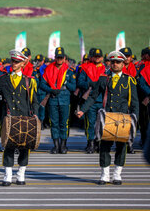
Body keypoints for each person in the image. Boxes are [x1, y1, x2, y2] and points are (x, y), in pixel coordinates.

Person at [0, 50, 39, 186]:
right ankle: (8, 175)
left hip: (25, 118)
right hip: (10, 118)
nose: (13, 64)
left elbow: (34, 101)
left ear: (22, 63)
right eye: (12, 61)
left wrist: (36, 116)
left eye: (16, 62)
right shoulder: (4, 79)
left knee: (24, 147)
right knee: (8, 147)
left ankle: (21, 174)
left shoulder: (29, 81)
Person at [77, 51, 139, 185]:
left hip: (123, 118)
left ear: (123, 64)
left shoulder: (129, 80)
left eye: (118, 62)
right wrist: (83, 110)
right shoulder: (103, 78)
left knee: (121, 146)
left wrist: (135, 120)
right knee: (104, 147)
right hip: (108, 117)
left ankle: (117, 175)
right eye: (113, 62)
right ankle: (104, 175)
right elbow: (93, 96)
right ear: (110, 63)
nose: (115, 64)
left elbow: (134, 102)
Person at [40, 47, 76, 154]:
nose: (59, 60)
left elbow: (73, 87)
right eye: (58, 57)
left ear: (64, 58)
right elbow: (42, 84)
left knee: (64, 123)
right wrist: (51, 89)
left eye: (61, 58)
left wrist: (65, 83)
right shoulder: (49, 69)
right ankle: (56, 145)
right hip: (53, 100)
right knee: (54, 123)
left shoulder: (69, 71)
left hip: (65, 100)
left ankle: (63, 145)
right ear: (55, 58)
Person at [77, 48, 106, 154]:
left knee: (102, 123)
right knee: (90, 123)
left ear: (102, 58)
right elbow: (80, 83)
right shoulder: (85, 68)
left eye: (99, 56)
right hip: (90, 100)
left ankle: (99, 143)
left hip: (102, 100)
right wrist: (89, 84)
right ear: (92, 57)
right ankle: (90, 143)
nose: (97, 58)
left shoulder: (106, 69)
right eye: (95, 56)